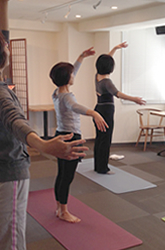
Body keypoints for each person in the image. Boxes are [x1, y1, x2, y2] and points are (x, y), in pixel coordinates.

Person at [0, 0, 88, 249]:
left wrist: (3, 3)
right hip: (7, 179)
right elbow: (15, 121)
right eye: (4, 44)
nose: (7, 45)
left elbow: (1, 36)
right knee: (9, 243)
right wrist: (43, 145)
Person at [50, 48, 108, 223]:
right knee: (67, 176)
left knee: (61, 174)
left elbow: (72, 72)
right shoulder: (67, 97)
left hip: (61, 135)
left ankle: (60, 209)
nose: (74, 75)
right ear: (67, 78)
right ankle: (64, 211)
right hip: (70, 138)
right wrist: (94, 113)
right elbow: (76, 107)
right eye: (71, 74)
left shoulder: (57, 92)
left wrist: (81, 57)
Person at [93, 42, 146, 174]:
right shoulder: (107, 82)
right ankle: (103, 168)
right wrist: (134, 99)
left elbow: (106, 61)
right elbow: (118, 94)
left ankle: (98, 166)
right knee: (106, 139)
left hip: (98, 109)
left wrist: (115, 49)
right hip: (106, 112)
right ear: (110, 67)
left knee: (100, 138)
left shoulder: (98, 77)